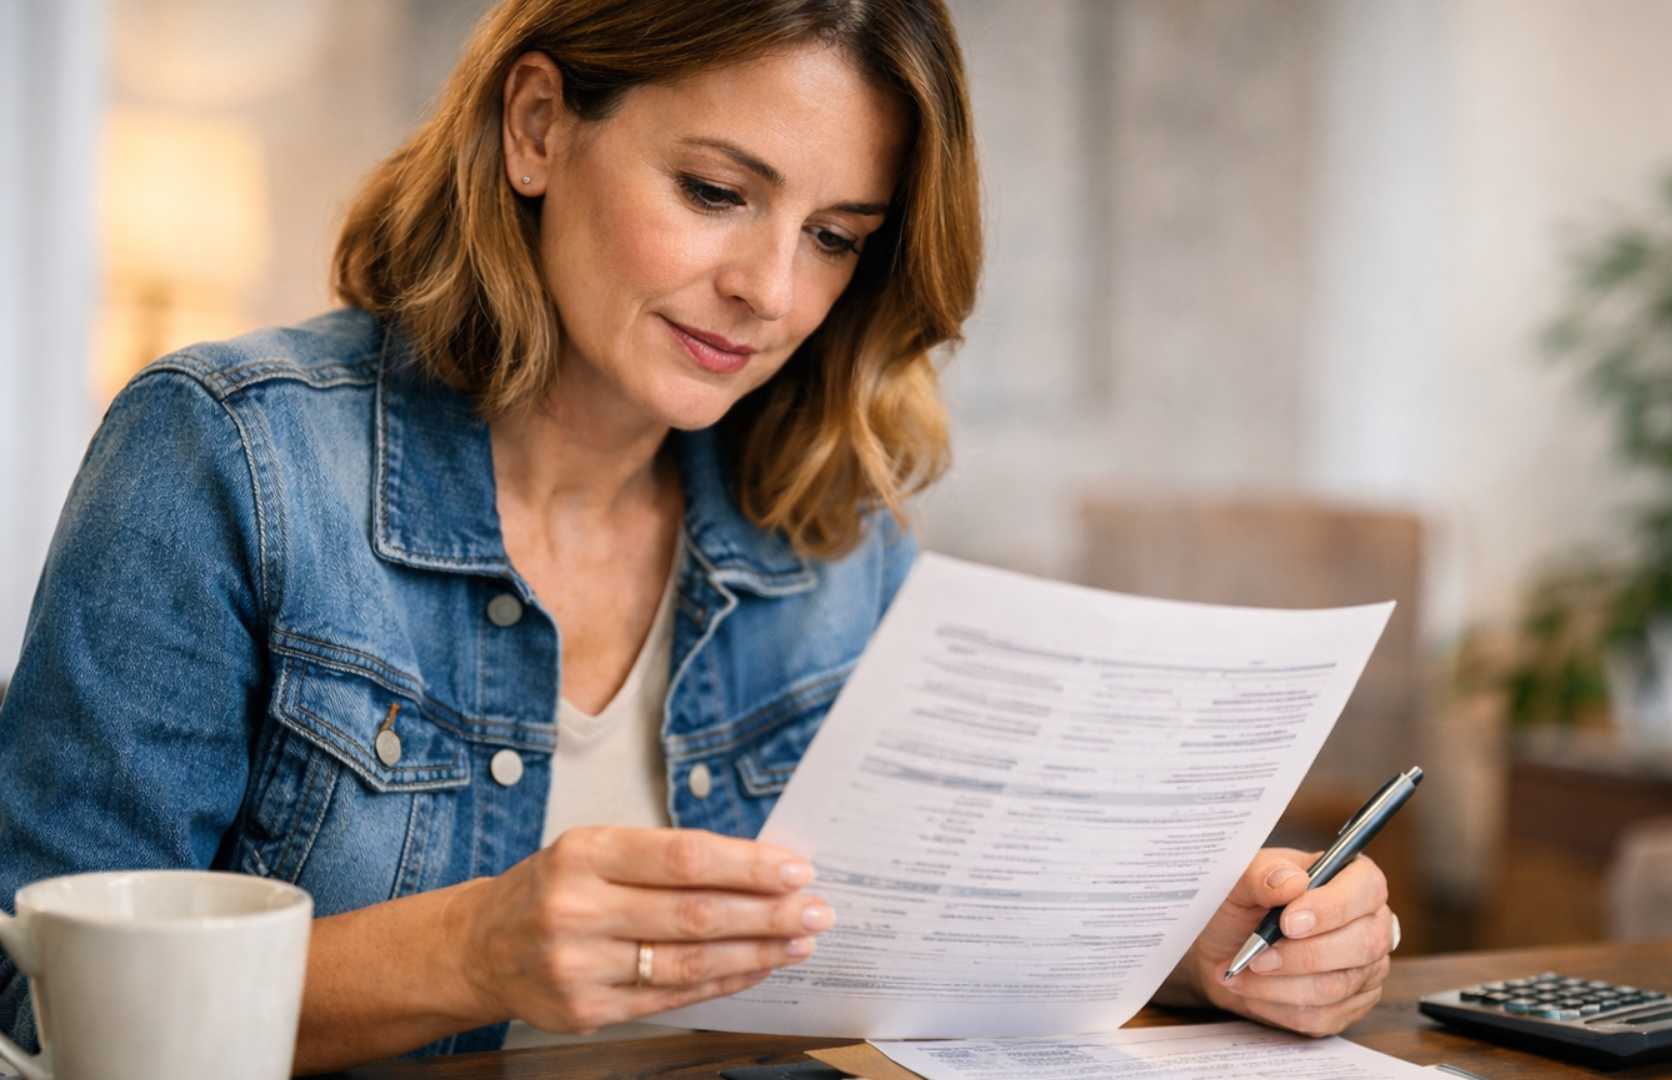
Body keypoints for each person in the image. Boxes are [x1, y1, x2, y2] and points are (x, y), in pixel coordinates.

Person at [0, 0, 1397, 1071]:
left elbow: (921, 945)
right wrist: (472, 952)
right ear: (537, 125)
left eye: (838, 236)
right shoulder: (229, 455)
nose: (770, 292)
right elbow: (38, 1002)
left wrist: (1200, 947)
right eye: (718, 193)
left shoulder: (828, 533)